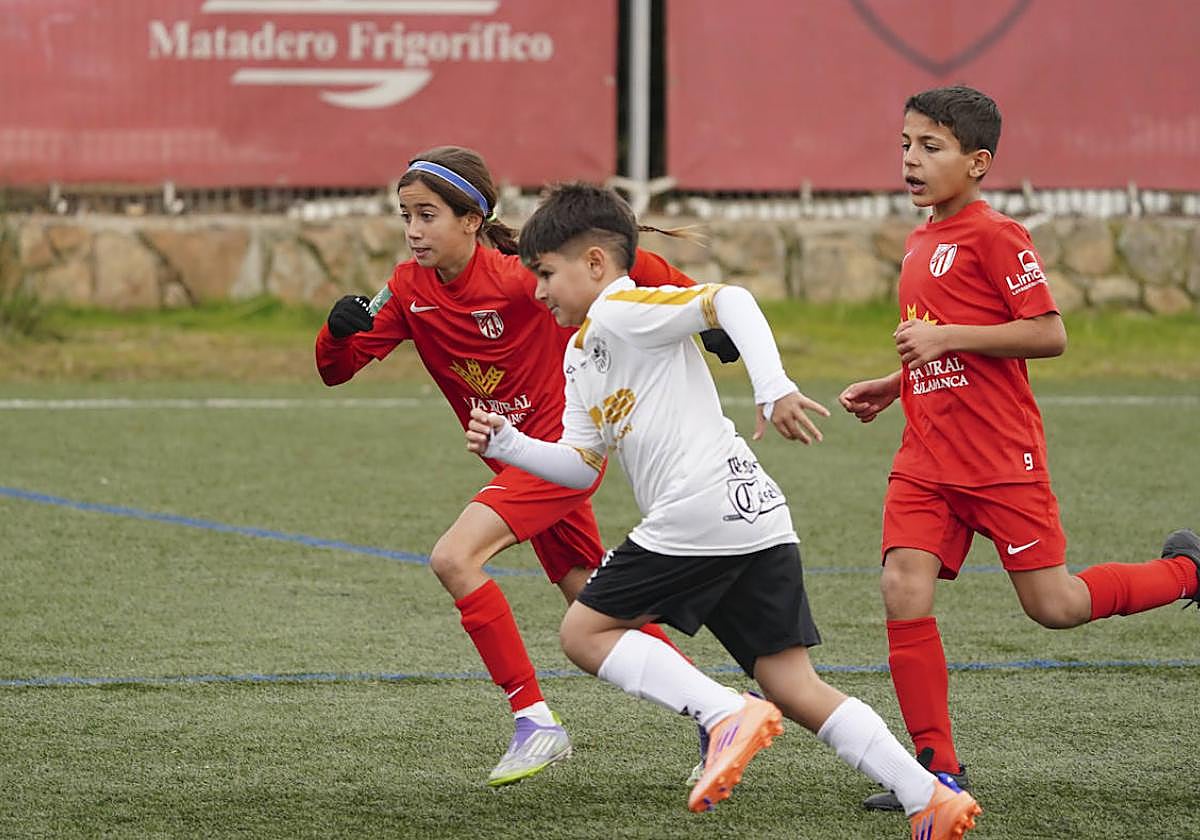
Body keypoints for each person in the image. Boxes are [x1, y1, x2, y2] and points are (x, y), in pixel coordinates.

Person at [466, 181, 982, 838]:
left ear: (595, 263)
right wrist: (510, 444)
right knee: (793, 686)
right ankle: (928, 798)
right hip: (755, 514)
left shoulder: (623, 308)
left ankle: (721, 715)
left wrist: (773, 387)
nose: (537, 292)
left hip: (697, 512)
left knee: (582, 634)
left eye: (545, 274)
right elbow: (580, 463)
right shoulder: (581, 351)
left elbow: (730, 300)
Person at [316, 146, 736, 787]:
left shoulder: (518, 276)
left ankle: (535, 720)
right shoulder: (405, 289)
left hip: (561, 454)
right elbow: (335, 372)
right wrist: (336, 332)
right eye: (405, 216)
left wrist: (702, 312)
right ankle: (715, 713)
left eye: (427, 215)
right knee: (591, 604)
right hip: (523, 460)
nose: (412, 231)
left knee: (454, 558)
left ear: (471, 219)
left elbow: (633, 263)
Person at [838, 85, 1200, 811]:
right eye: (906, 145)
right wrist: (893, 381)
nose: (911, 159)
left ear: (978, 162)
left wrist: (946, 337)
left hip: (1001, 460)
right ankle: (935, 771)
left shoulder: (997, 235)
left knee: (1054, 606)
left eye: (930, 147)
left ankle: (1187, 571)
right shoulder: (920, 241)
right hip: (927, 459)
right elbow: (939, 353)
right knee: (901, 587)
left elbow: (1048, 333)